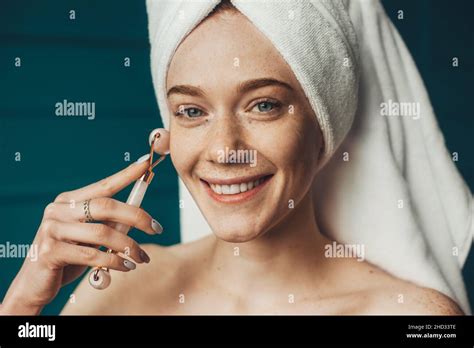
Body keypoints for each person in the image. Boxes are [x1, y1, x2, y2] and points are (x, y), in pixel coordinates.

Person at [0, 0, 467, 315]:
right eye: (191, 111)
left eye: (264, 104)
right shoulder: (119, 286)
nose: (224, 150)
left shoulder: (409, 315)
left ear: (324, 124)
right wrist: (20, 309)